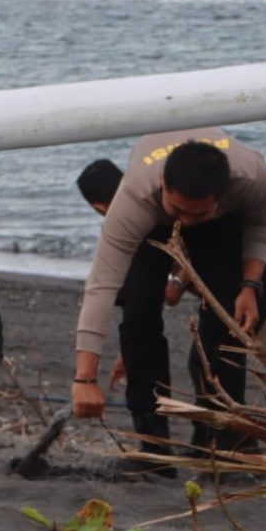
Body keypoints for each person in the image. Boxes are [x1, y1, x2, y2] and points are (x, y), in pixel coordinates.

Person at [70, 130, 266, 454]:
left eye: (197, 214)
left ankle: (220, 438)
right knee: (138, 313)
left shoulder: (253, 177)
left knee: (226, 322)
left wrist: (249, 287)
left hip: (220, 223)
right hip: (154, 216)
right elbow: (100, 287)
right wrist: (85, 379)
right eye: (179, 212)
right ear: (163, 186)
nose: (187, 223)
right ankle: (155, 445)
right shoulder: (136, 197)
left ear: (223, 196)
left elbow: (261, 227)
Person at [75, 158, 190, 471]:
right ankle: (180, 447)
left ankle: (157, 454)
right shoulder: (155, 200)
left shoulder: (131, 223)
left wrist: (178, 284)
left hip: (168, 308)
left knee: (145, 356)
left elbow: (120, 299)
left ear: (99, 206)